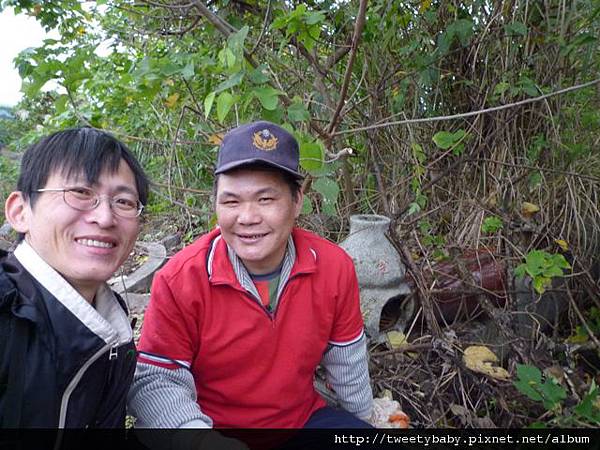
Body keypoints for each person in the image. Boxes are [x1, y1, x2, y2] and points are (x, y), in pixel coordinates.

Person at [128, 121, 373, 438]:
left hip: (298, 423)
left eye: (266, 199)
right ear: (216, 205)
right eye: (231, 201)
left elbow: (347, 362)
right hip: (211, 429)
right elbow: (156, 380)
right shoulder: (181, 279)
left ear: (297, 200)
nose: (247, 217)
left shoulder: (332, 267)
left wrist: (366, 422)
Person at [0, 127, 149, 428]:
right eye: (80, 193)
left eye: (123, 202)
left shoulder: (111, 322)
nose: (105, 218)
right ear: (20, 211)